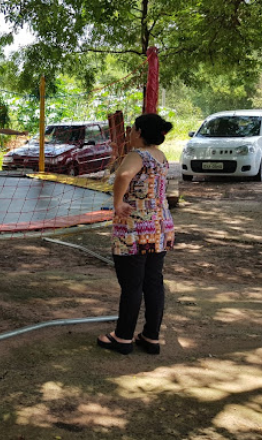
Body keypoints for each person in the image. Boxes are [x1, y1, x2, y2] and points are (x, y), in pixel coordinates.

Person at [97, 113, 175, 355]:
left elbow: (123, 175)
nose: (129, 133)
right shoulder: (160, 157)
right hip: (160, 227)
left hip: (135, 229)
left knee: (132, 284)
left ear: (139, 132)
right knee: (153, 282)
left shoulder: (137, 155)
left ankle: (122, 338)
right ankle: (151, 337)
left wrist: (117, 202)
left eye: (132, 130)